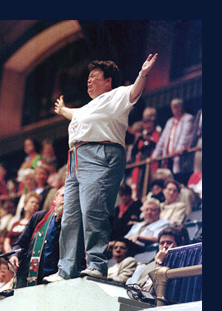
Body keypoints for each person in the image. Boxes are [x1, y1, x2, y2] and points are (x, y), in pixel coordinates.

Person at [47, 53, 158, 281]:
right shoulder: (87, 107)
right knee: (70, 216)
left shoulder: (116, 96)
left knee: (93, 211)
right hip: (75, 158)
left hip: (101, 154)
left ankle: (97, 263)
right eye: (87, 77)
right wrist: (62, 110)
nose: (89, 80)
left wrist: (143, 73)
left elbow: (135, 91)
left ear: (108, 80)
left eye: (94, 76)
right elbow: (74, 114)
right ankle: (66, 270)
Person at [11, 187, 64, 287]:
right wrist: (15, 255)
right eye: (63, 196)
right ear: (55, 199)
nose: (65, 200)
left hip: (55, 282)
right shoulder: (39, 217)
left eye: (69, 196)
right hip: (28, 277)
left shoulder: (74, 225)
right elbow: (20, 244)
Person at [127, 225, 189, 293]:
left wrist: (159, 263)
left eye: (169, 243)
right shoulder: (149, 266)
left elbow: (158, 290)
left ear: (178, 246)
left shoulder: (181, 265)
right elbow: (139, 287)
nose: (164, 246)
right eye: (162, 243)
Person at [152, 98, 194, 182]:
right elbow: (162, 140)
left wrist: (177, 150)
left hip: (179, 157)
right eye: (173, 107)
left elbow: (185, 137)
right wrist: (154, 155)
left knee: (178, 180)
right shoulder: (170, 121)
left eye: (177, 107)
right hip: (167, 158)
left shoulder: (188, 118)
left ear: (181, 107)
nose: (175, 109)